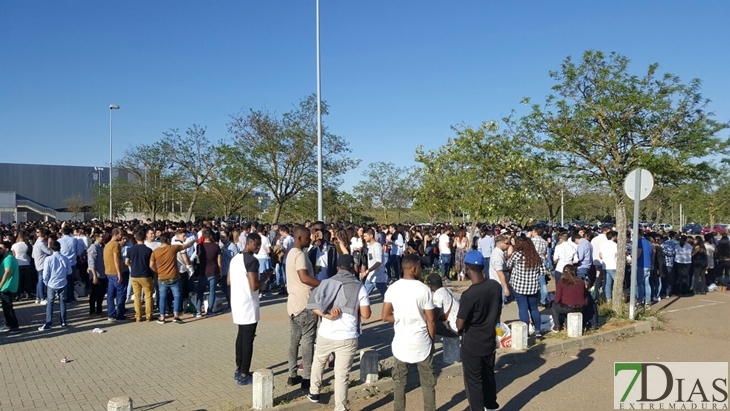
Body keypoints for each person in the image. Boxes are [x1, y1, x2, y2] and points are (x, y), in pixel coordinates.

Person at [306, 254, 371, 410]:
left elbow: (311, 305)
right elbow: (367, 315)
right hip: (347, 336)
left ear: (337, 268)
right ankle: (340, 407)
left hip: (326, 332)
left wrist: (327, 315)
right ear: (353, 268)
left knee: (319, 361)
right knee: (342, 375)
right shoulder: (359, 286)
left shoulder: (325, 283)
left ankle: (314, 391)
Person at [382, 254, 436, 411]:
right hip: (422, 342)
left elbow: (385, 316)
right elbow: (431, 321)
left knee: (399, 383)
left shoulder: (392, 288)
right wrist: (432, 342)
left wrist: (400, 318)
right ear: (414, 268)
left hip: (401, 344)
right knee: (428, 383)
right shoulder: (424, 290)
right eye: (419, 267)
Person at [456, 250, 502, 411]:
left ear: (467, 268)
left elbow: (460, 325)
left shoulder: (469, 295)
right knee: (488, 375)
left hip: (472, 344)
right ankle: (491, 406)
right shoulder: (495, 286)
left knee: (473, 381)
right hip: (489, 340)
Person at [286, 225, 321, 391]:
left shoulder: (290, 254)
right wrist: (324, 284)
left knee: (294, 341)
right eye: (308, 237)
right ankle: (307, 377)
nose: (310, 240)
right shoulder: (299, 255)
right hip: (305, 303)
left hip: (293, 304)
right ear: (299, 238)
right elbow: (304, 277)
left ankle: (292, 375)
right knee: (308, 341)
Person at [229, 232, 263, 386]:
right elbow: (254, 286)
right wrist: (265, 279)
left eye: (260, 245)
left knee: (241, 336)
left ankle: (239, 368)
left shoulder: (235, 258)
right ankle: (244, 373)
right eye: (256, 245)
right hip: (248, 303)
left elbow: (228, 280)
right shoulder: (252, 261)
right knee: (248, 339)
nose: (258, 248)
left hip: (237, 301)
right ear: (248, 243)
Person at [149, 233, 196, 324]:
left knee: (162, 297)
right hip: (174, 276)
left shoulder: (155, 252)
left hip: (162, 278)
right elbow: (186, 246)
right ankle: (176, 316)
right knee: (177, 296)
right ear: (167, 240)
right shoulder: (173, 248)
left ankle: (162, 317)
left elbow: (151, 265)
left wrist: (158, 271)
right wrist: (194, 240)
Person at [507, 237, 545, 337]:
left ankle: (526, 333)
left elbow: (508, 264)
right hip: (533, 287)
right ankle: (538, 331)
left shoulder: (517, 255)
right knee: (534, 308)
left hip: (519, 286)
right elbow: (543, 272)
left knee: (523, 309)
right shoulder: (536, 256)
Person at [39, 240, 71, 330]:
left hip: (51, 284)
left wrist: (46, 282)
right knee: (62, 302)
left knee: (50, 303)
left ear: (51, 248)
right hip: (63, 282)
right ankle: (63, 322)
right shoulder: (65, 258)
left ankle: (48, 323)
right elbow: (69, 271)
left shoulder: (48, 259)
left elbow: (46, 273)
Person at [126, 230, 155, 322]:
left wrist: (132, 265)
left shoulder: (131, 249)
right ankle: (149, 315)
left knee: (137, 296)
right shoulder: (149, 250)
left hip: (134, 275)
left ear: (135, 238)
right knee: (148, 295)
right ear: (145, 238)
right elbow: (152, 263)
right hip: (146, 275)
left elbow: (126, 262)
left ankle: (138, 316)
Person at [551, 265, 587, 331]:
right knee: (564, 305)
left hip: (569, 307)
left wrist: (555, 301)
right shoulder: (581, 282)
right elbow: (584, 295)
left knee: (554, 306)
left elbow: (557, 299)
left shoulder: (561, 282)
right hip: (581, 307)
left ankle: (557, 326)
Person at [195, 229, 222, 317]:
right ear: (211, 236)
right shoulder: (216, 246)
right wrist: (220, 271)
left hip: (203, 270)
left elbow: (198, 258)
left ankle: (198, 310)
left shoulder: (199, 246)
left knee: (200, 291)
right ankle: (209, 310)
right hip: (213, 270)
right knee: (212, 291)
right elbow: (219, 261)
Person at [426, 274, 459, 338]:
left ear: (431, 285)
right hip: (459, 323)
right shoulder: (447, 290)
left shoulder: (438, 294)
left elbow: (434, 317)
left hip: (453, 327)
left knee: (426, 325)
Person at [104, 228, 127, 321]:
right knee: (121, 292)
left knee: (110, 294)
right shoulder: (115, 245)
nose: (122, 236)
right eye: (120, 234)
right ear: (116, 235)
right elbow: (116, 259)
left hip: (108, 271)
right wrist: (119, 273)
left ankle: (111, 314)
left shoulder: (107, 245)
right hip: (114, 272)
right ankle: (120, 315)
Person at [361, 228, 388, 298]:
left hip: (379, 277)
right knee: (363, 295)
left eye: (365, 236)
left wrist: (368, 270)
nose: (364, 238)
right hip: (371, 277)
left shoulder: (377, 246)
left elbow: (379, 262)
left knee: (387, 298)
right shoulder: (370, 246)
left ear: (371, 236)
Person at [86, 232, 107, 317]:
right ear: (96, 238)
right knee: (94, 294)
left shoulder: (101, 247)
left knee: (101, 294)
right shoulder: (93, 247)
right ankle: (92, 311)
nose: (103, 238)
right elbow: (91, 262)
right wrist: (94, 275)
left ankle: (99, 310)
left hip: (102, 273)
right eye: (101, 237)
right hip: (96, 274)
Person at [0, 245, 20, 332]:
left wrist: (1, 284)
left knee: (8, 307)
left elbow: (7, 272)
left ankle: (14, 325)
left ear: (6, 249)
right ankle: (8, 323)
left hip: (7, 286)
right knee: (5, 307)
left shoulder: (8, 258)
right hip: (6, 286)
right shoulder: (8, 257)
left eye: (1, 248)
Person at [33, 228, 53, 304]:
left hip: (37, 263)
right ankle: (42, 298)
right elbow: (50, 252)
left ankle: (38, 297)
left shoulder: (36, 243)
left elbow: (32, 255)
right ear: (46, 236)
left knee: (39, 281)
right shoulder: (41, 244)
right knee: (42, 281)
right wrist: (49, 244)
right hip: (42, 264)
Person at [488, 235, 511, 304]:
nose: (508, 245)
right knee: (500, 304)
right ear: (501, 244)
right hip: (499, 283)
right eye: (506, 243)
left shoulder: (499, 253)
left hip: (499, 283)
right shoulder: (497, 255)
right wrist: (506, 288)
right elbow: (500, 273)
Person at [599, 231, 618, 302]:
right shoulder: (615, 245)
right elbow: (617, 254)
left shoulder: (603, 245)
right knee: (616, 283)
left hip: (605, 266)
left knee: (607, 283)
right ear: (614, 237)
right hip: (613, 265)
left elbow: (600, 255)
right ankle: (616, 298)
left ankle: (608, 299)